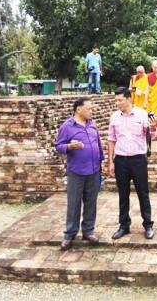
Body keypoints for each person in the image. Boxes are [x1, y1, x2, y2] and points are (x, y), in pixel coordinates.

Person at [55, 97, 105, 251]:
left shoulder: (92, 125)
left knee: (91, 201)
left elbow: (98, 145)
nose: (91, 111)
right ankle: (70, 233)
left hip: (93, 170)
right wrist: (70, 146)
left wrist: (101, 162)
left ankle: (88, 231)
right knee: (74, 203)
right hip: (76, 171)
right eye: (89, 108)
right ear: (78, 109)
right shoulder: (67, 126)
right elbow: (58, 146)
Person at [108, 87, 156, 240]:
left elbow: (150, 134)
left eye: (120, 100)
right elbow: (111, 140)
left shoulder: (142, 114)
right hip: (121, 159)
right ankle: (124, 225)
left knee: (143, 192)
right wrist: (111, 161)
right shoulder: (114, 117)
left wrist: (154, 128)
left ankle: (148, 224)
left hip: (138, 159)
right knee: (123, 194)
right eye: (116, 100)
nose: (117, 103)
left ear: (129, 99)